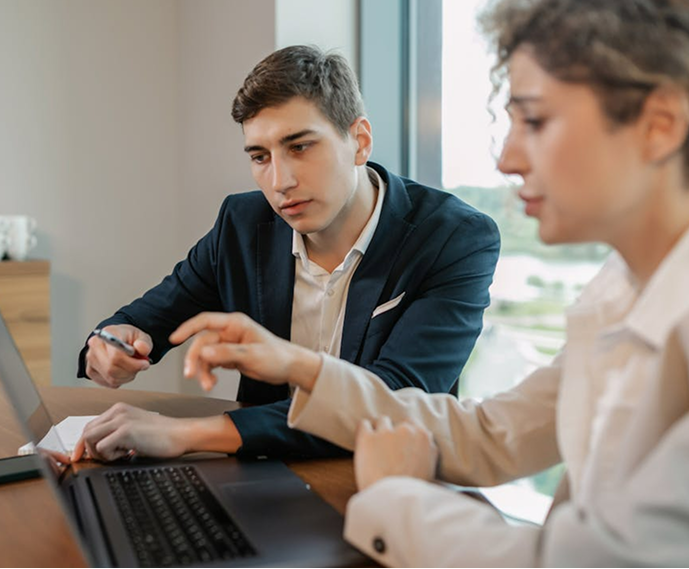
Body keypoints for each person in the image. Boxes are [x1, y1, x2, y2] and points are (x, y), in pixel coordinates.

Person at [171, 0, 689, 565]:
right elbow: (492, 434)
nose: (507, 157)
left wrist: (396, 495)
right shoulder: (621, 290)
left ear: (660, 125)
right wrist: (299, 364)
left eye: (537, 121)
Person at [73, 45, 500, 461]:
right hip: (265, 478)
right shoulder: (242, 224)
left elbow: (396, 399)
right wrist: (112, 341)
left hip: (394, 485)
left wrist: (187, 434)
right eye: (260, 156)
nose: (280, 181)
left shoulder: (456, 239)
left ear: (360, 141)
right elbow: (148, 317)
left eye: (299, 147)